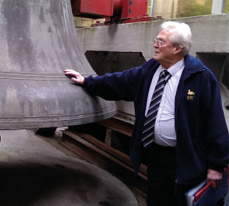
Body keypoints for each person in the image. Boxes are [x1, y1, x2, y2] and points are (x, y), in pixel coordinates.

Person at [64, 21, 228, 206]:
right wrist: (87, 82)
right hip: (156, 156)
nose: (155, 44)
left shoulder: (200, 77)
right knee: (156, 199)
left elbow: (215, 122)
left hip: (185, 158)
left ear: (176, 48)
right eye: (156, 39)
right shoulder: (149, 70)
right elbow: (120, 82)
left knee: (180, 201)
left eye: (160, 41)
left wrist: (216, 166)